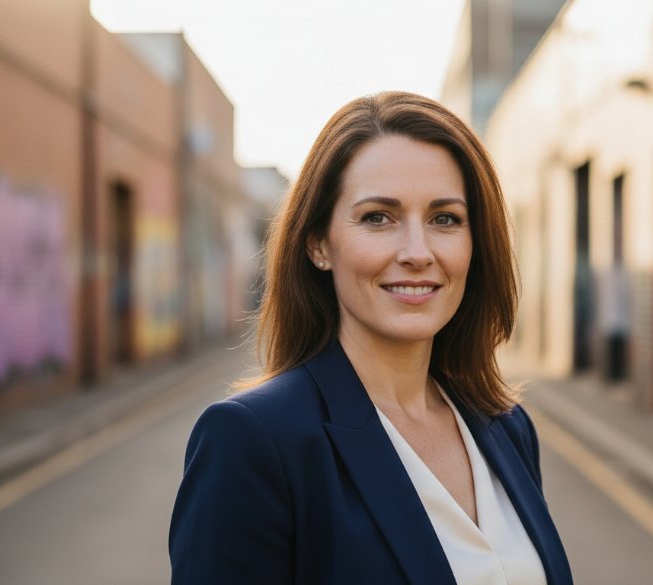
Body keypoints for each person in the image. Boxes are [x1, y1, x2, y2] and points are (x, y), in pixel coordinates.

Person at [168, 91, 573, 585]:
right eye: (378, 217)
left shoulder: (507, 427)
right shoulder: (254, 441)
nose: (417, 252)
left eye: (445, 219)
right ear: (319, 243)